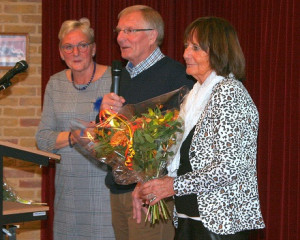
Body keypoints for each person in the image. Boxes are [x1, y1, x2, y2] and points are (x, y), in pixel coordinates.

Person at [133, 17, 265, 240]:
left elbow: (229, 167)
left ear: (218, 52)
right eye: (186, 45)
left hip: (220, 225)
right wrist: (149, 182)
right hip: (188, 220)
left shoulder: (230, 93)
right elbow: (183, 160)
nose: (185, 54)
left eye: (195, 47)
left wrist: (173, 186)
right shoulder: (194, 97)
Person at [98, 5, 195, 240]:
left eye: (129, 30)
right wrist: (103, 113)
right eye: (119, 31)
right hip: (118, 189)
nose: (120, 37)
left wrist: (150, 182)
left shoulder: (178, 77)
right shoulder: (121, 75)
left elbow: (181, 141)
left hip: (152, 195)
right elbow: (107, 137)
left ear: (152, 35)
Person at [36, 18, 114, 240]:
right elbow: (42, 139)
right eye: (68, 47)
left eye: (83, 45)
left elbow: (124, 137)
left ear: (93, 49)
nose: (76, 52)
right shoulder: (55, 83)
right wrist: (73, 137)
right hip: (68, 190)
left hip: (104, 190)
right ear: (61, 53)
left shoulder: (114, 80)